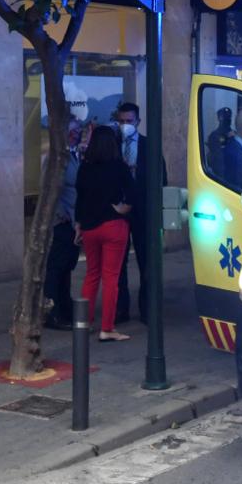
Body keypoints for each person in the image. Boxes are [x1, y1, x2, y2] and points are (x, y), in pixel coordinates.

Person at [76, 125, 135, 341]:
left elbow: (79, 198)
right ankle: (107, 328)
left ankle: (84, 321)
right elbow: (132, 192)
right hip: (113, 225)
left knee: (92, 274)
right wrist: (123, 208)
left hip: (90, 227)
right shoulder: (118, 167)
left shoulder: (85, 167)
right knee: (111, 278)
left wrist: (79, 224)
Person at [112, 102, 164, 324]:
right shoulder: (111, 145)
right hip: (117, 212)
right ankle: (120, 309)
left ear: (138, 122)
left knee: (147, 262)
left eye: (129, 121)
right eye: (121, 121)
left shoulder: (149, 145)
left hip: (143, 213)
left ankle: (147, 309)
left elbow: (161, 177)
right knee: (117, 264)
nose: (125, 125)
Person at [41, 120, 84, 331]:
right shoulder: (55, 159)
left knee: (66, 267)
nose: (75, 134)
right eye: (71, 131)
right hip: (62, 222)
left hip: (73, 220)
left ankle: (64, 308)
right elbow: (49, 191)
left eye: (77, 131)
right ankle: (52, 312)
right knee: (56, 269)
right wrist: (60, 216)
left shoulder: (73, 155)